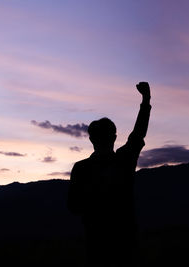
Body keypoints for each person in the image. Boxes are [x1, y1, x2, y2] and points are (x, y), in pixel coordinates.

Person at [68, 82, 151, 266]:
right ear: (114, 138)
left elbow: (73, 206)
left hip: (96, 246)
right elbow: (138, 134)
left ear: (91, 139)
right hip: (125, 245)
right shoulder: (124, 160)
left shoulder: (81, 168)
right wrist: (146, 100)